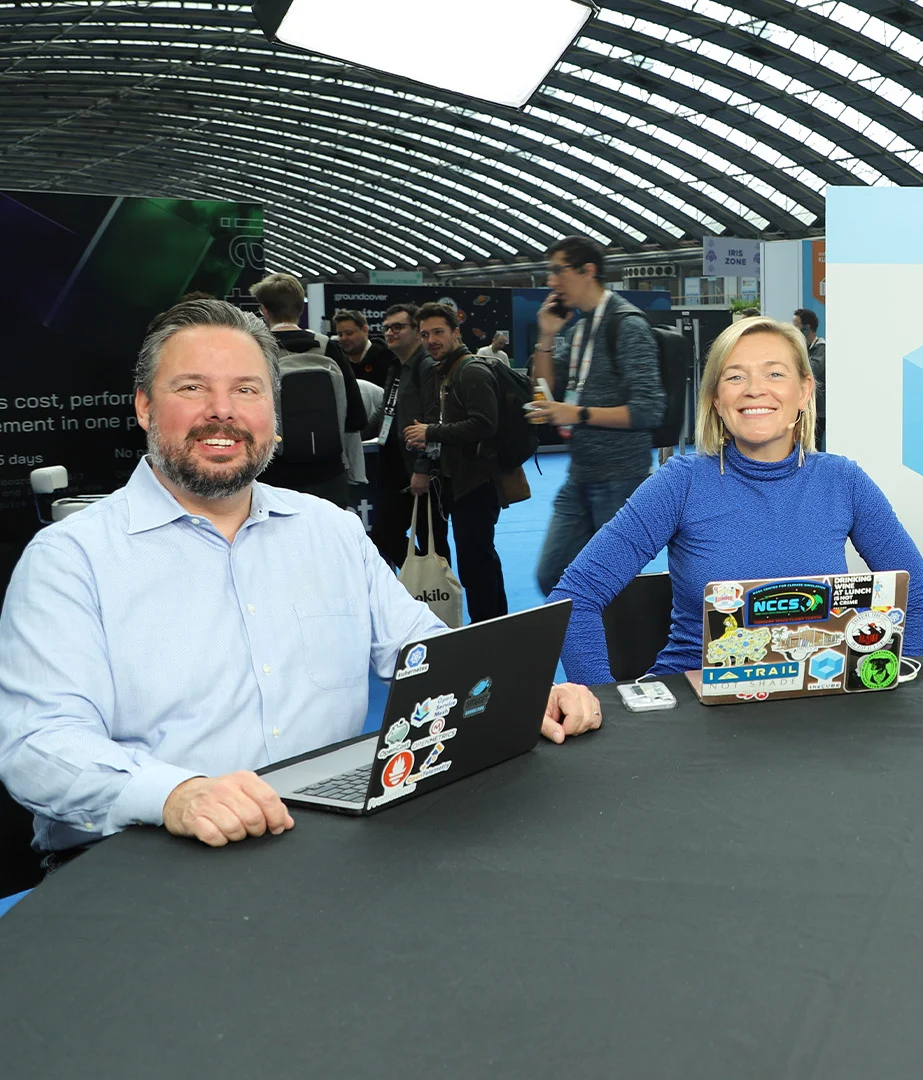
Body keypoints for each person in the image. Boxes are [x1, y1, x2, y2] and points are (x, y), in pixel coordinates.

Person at [0, 299, 603, 861]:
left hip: (322, 843)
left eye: (246, 389)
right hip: (141, 856)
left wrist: (521, 694)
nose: (222, 411)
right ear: (144, 408)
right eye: (192, 388)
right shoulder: (72, 560)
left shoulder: (330, 531)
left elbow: (424, 651)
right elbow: (37, 744)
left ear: (273, 411)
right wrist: (174, 794)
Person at [548, 317, 923, 682]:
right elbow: (574, 597)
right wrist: (600, 702)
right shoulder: (680, 483)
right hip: (693, 707)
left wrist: (891, 685)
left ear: (804, 391)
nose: (755, 389)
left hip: (818, 704)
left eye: (775, 373)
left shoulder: (843, 481)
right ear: (717, 400)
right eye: (735, 376)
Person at [526, 236, 667, 599]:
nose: (551, 281)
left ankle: (622, 637)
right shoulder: (579, 330)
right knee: (551, 574)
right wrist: (546, 335)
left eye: (558, 271)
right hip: (581, 475)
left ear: (587, 271)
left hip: (620, 479)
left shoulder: (627, 325)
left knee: (616, 588)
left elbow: (648, 409)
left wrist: (577, 413)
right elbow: (544, 389)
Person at [404, 302, 513, 623]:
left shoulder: (470, 371)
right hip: (461, 481)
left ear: (456, 332)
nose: (431, 340)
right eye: (425, 334)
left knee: (476, 564)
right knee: (479, 560)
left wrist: (430, 432)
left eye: (438, 332)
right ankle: (495, 625)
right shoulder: (447, 370)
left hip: (477, 483)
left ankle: (488, 629)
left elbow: (485, 424)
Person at [248, 273, 367, 506]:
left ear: (265, 310)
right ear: (301, 308)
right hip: (329, 473)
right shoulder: (327, 346)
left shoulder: (256, 348)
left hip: (274, 474)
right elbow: (356, 416)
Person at [366, 303, 448, 568]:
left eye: (398, 327)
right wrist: (351, 435)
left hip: (423, 469)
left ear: (416, 331)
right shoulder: (397, 367)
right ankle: (422, 583)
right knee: (383, 533)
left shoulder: (427, 367)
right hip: (395, 466)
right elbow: (384, 415)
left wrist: (424, 468)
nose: (390, 333)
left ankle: (437, 588)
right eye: (387, 328)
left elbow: (433, 420)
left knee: (431, 538)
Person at [328, 308, 394, 388]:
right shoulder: (336, 362)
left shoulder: (388, 358)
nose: (343, 338)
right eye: (340, 334)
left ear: (365, 330)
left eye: (349, 333)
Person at [793, 308, 826, 449]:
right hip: (804, 408)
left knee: (814, 445)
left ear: (807, 328)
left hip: (818, 409)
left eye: (796, 326)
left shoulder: (821, 349)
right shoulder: (803, 349)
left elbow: (813, 370)